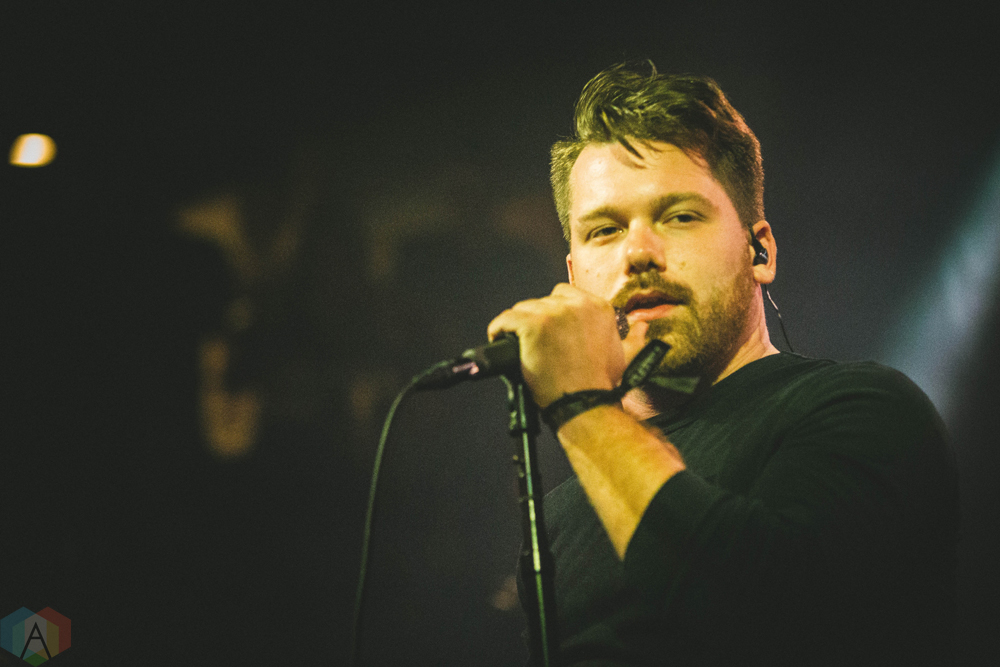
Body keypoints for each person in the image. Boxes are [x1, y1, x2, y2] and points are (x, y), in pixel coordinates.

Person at [488, 63, 958, 666]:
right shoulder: (559, 515)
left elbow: (767, 621)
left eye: (679, 216)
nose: (638, 253)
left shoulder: (863, 412)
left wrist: (582, 407)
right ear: (575, 277)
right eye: (604, 230)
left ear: (759, 250)